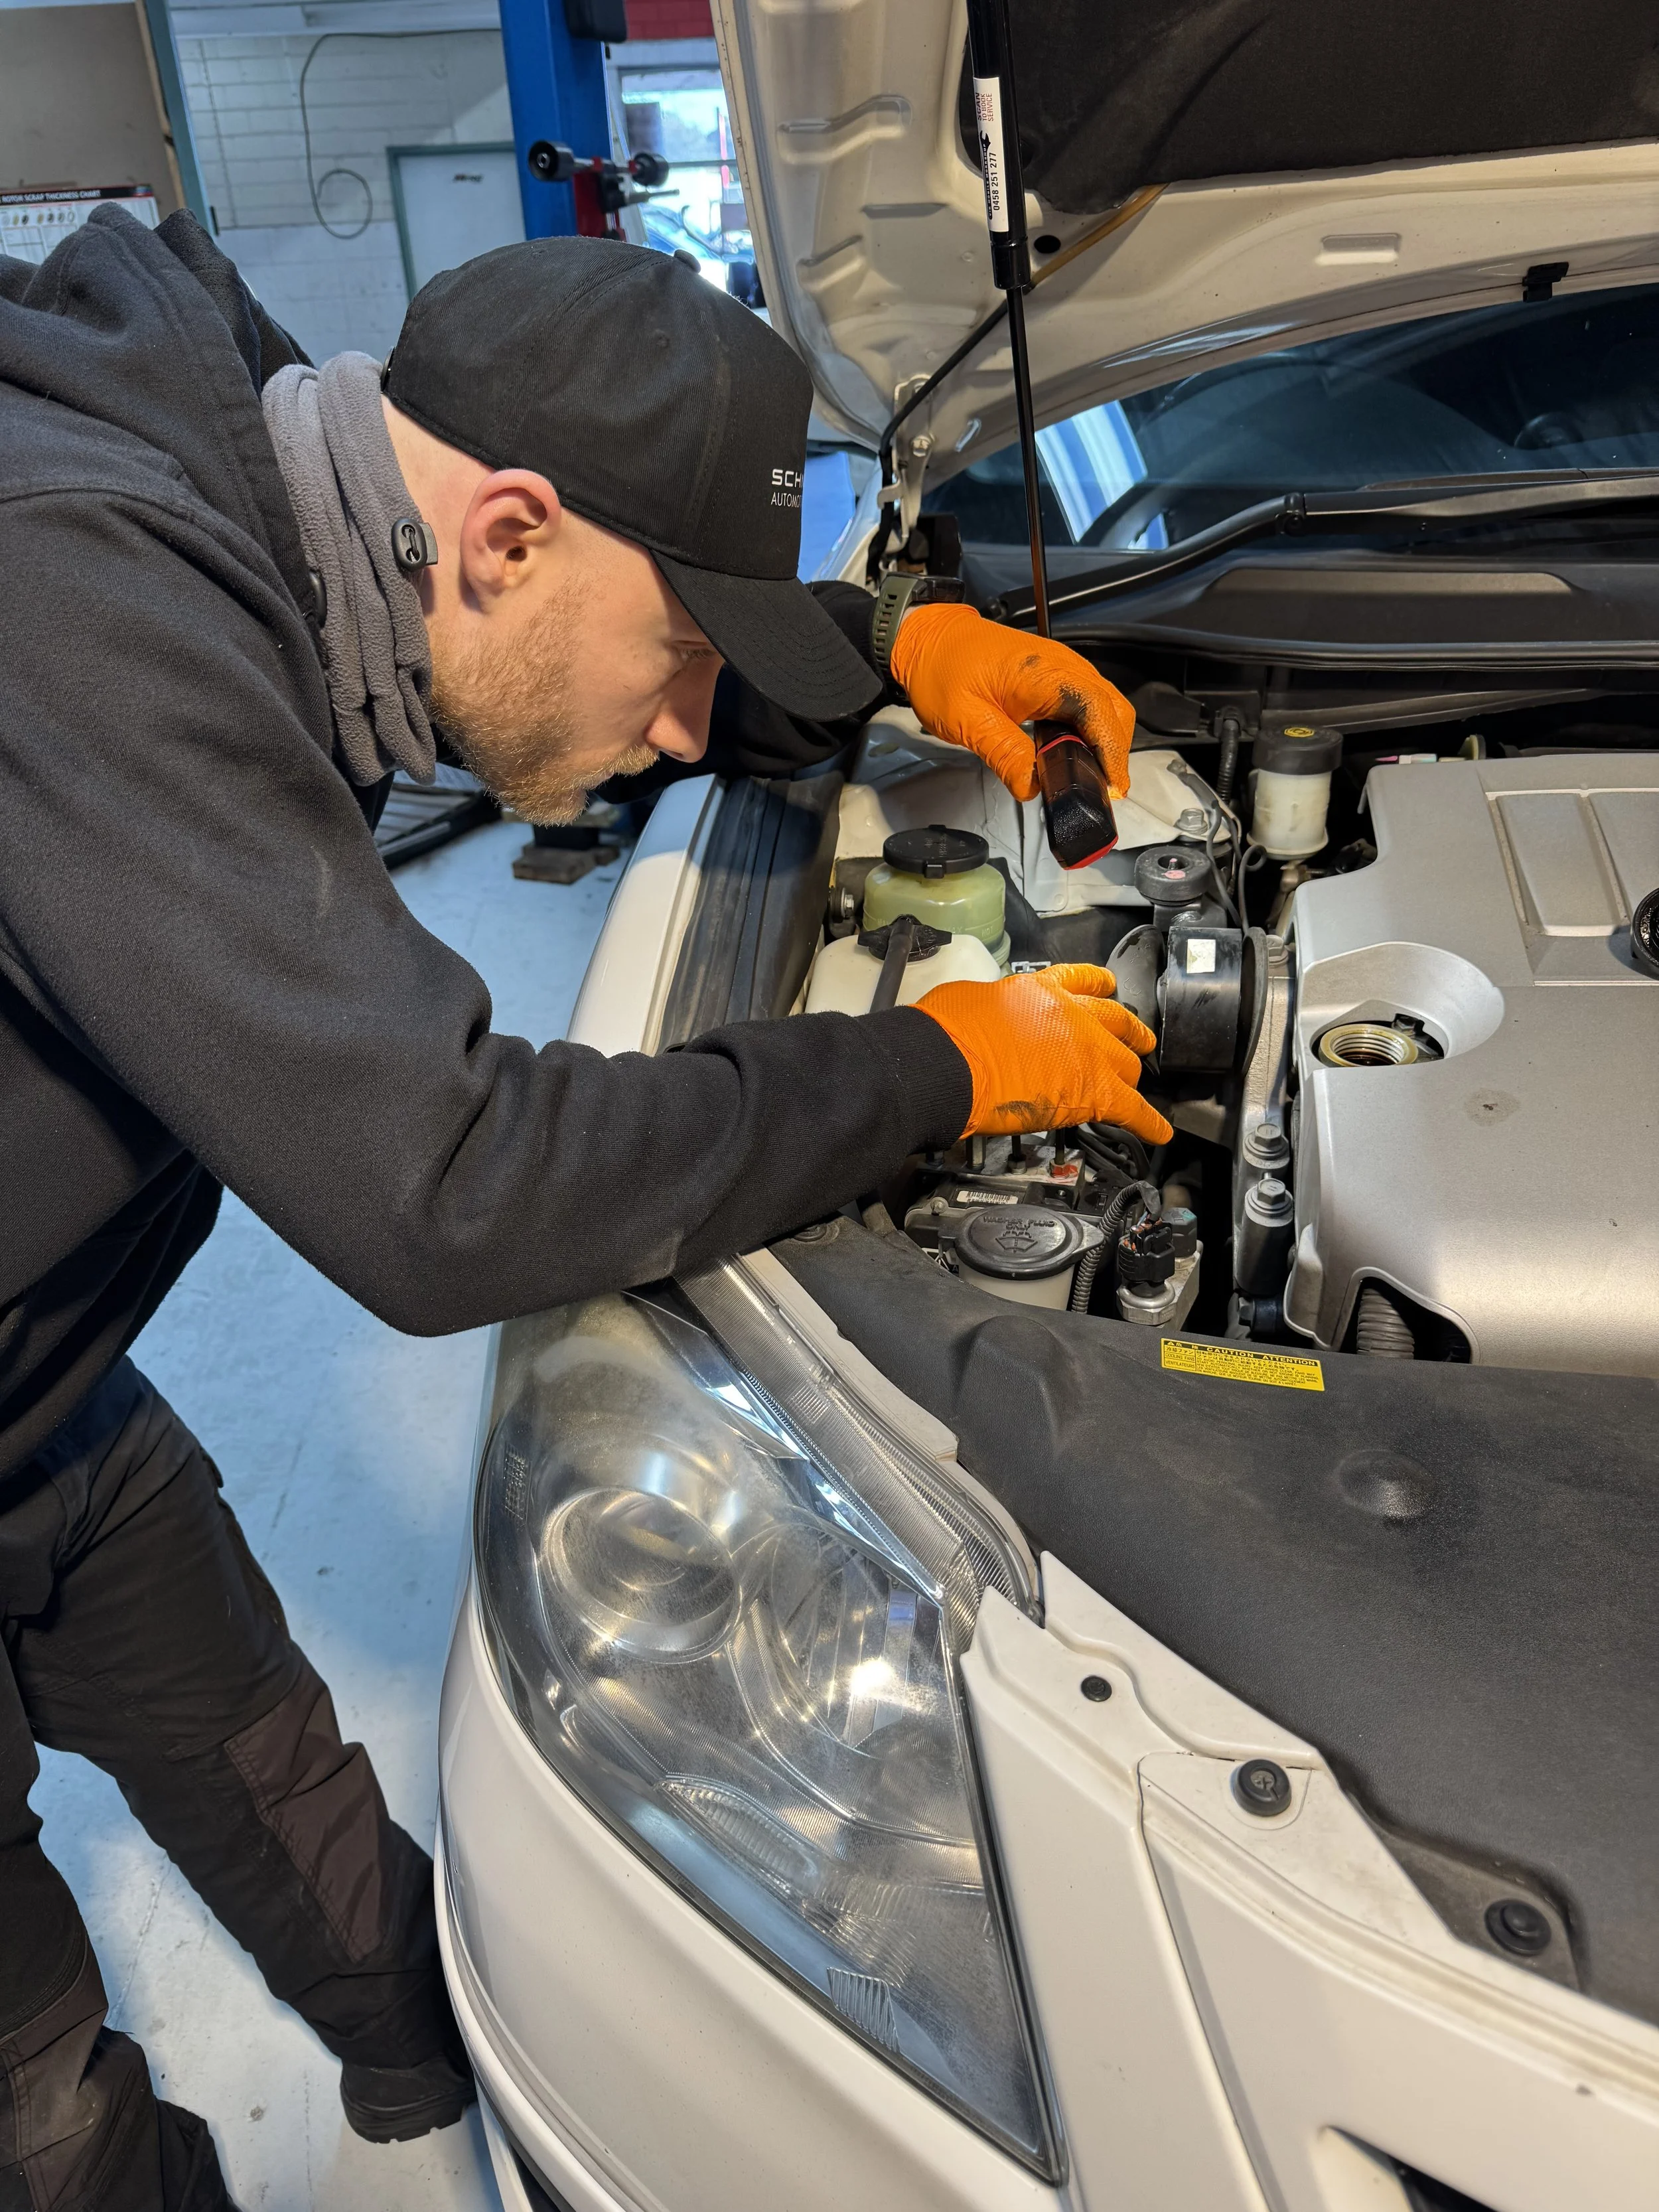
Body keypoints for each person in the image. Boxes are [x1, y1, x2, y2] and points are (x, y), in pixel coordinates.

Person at [0, 210, 1169, 2210]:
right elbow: (448, 1191)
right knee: (44, 2096)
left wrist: (890, 654)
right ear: (511, 538)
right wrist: (944, 1068)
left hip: (47, 1373)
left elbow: (577, 655)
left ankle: (412, 2052)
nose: (686, 730)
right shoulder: (75, 598)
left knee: (265, 1750)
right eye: (686, 661)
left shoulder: (292, 452)